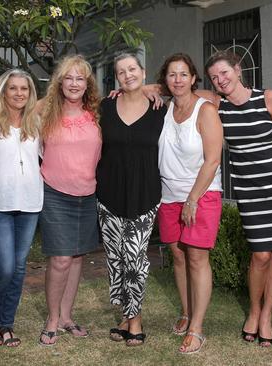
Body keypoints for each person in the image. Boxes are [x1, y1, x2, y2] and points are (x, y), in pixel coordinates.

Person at [202, 50, 272, 347]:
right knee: (260, 254)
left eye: (224, 73)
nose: (221, 80)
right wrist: (144, 88)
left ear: (238, 70)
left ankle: (266, 316)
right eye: (214, 77)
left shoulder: (268, 98)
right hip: (249, 192)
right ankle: (253, 310)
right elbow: (180, 87)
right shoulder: (217, 104)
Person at [96, 53, 166, 346]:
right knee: (117, 260)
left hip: (145, 194)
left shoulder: (159, 107)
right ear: (116, 78)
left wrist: (153, 88)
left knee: (136, 260)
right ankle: (126, 313)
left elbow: (197, 92)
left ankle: (135, 321)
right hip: (109, 195)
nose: (128, 75)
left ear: (142, 71)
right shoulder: (105, 106)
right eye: (121, 72)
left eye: (132, 69)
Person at [156, 53, 223, 354]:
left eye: (184, 74)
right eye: (172, 75)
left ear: (194, 78)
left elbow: (212, 160)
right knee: (179, 256)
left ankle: (197, 327)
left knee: (197, 257)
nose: (178, 80)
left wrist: (193, 199)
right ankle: (186, 312)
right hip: (169, 195)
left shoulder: (205, 110)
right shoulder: (165, 108)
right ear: (166, 80)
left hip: (202, 193)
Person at [37, 55, 101, 346]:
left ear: (87, 84)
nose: (74, 83)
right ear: (59, 82)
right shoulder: (44, 111)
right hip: (54, 193)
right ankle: (52, 319)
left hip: (87, 195)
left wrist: (151, 88)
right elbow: (9, 110)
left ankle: (66, 316)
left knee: (77, 258)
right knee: (61, 258)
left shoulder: (98, 112)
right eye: (69, 78)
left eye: (80, 78)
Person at [0, 69, 42, 348]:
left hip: (30, 204)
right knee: (3, 268)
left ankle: (7, 324)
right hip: (0, 205)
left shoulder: (36, 123)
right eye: (13, 88)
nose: (19, 93)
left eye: (24, 89)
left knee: (18, 268)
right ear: (3, 91)